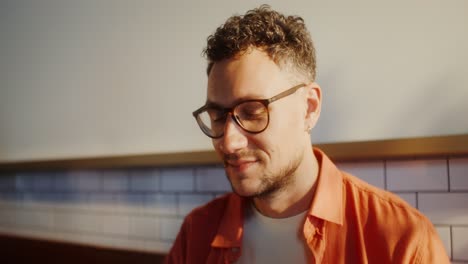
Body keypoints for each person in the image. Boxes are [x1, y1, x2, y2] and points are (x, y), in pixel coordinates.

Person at [166, 5, 449, 263]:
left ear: (309, 108)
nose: (229, 142)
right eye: (217, 117)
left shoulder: (402, 239)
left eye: (252, 113)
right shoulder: (197, 232)